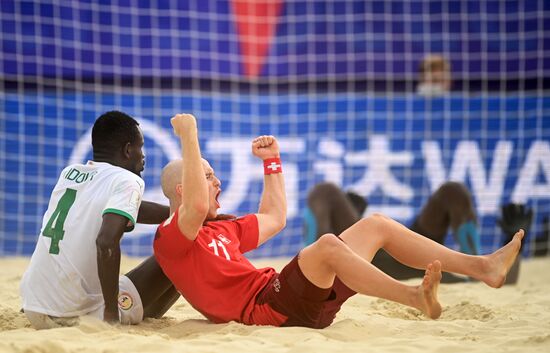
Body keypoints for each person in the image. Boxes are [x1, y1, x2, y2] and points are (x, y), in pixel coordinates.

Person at [153, 113, 524, 329]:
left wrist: (272, 162)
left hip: (295, 302)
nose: (217, 182)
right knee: (328, 245)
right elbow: (196, 208)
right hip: (269, 310)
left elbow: (275, 217)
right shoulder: (170, 238)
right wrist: (189, 135)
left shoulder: (222, 228)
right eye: (207, 176)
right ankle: (413, 296)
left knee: (375, 223)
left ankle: (483, 267)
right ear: (183, 190)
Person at [20, 111, 179, 329]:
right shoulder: (127, 180)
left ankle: (126, 310)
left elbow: (131, 209)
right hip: (72, 314)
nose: (142, 156)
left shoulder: (70, 173)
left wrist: (179, 212)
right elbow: (106, 243)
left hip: (34, 306)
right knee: (182, 248)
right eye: (140, 148)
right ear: (127, 150)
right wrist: (111, 312)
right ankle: (120, 313)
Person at [304, 183, 532, 284]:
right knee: (325, 192)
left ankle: (477, 266)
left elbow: (503, 281)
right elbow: (505, 283)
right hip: (358, 259)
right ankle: (314, 266)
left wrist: (514, 243)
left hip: (411, 255)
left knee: (453, 191)